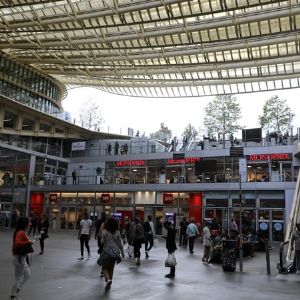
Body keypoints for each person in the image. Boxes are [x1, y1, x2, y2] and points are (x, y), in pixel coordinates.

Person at [10, 216, 35, 300]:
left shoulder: (19, 231)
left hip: (20, 258)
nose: (30, 223)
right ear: (25, 223)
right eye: (29, 222)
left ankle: (14, 293)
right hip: (20, 259)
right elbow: (17, 243)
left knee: (27, 275)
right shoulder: (21, 232)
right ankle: (13, 295)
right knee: (19, 278)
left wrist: (29, 242)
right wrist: (28, 242)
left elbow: (16, 244)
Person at [101, 218, 124, 291]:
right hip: (115, 253)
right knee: (111, 269)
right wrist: (122, 252)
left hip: (107, 252)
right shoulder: (117, 232)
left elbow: (102, 241)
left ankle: (108, 280)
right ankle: (109, 283)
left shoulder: (104, 231)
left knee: (104, 268)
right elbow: (120, 243)